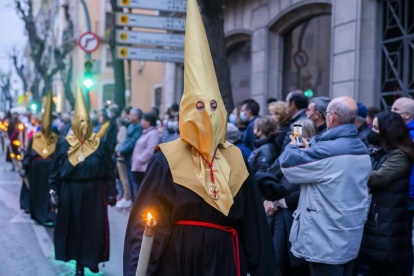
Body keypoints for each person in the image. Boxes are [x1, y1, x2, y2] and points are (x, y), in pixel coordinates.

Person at [123, 0, 280, 274]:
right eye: (198, 107)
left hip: (225, 261)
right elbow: (146, 223)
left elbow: (255, 227)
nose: (206, 115)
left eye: (213, 106)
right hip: (177, 260)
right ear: (185, 112)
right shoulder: (167, 159)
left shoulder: (237, 160)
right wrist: (140, 268)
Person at [279, 96, 372, 276]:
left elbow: (289, 166)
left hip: (325, 239)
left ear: (332, 117)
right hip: (348, 234)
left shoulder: (327, 152)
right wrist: (310, 149)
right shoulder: (360, 147)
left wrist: (293, 146)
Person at [49, 86, 116, 276]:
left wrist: (112, 192)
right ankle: (79, 263)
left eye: (87, 121)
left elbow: (110, 171)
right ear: (74, 123)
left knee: (94, 227)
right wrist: (53, 192)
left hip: (95, 191)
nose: (84, 124)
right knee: (75, 227)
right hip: (70, 191)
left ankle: (92, 259)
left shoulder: (100, 144)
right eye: (81, 121)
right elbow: (54, 173)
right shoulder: (63, 144)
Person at [258, 119, 317, 276]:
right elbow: (271, 173)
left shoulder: (313, 155)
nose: (293, 137)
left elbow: (302, 190)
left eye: (296, 133)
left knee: (286, 259)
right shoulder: (289, 152)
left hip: (294, 215)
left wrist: (277, 203)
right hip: (280, 212)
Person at [359, 111, 414, 276]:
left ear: (387, 131)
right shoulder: (381, 151)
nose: (372, 131)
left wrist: (352, 170)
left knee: (387, 267)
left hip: (388, 221)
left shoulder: (399, 156)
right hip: (380, 218)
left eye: (376, 128)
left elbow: (377, 178)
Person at [23, 91, 58, 226]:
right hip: (37, 172)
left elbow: (58, 156)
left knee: (50, 192)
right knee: (38, 192)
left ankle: (49, 213)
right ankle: (38, 213)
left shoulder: (56, 139)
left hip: (50, 172)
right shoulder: (35, 137)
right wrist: (25, 167)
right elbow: (29, 153)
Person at [117, 108, 143, 202]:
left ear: (136, 116)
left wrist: (122, 150)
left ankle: (136, 203)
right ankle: (131, 201)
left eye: (131, 114)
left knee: (134, 181)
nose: (129, 116)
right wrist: (121, 150)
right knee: (129, 180)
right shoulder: (131, 125)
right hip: (127, 155)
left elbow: (133, 142)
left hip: (133, 156)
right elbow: (127, 140)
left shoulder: (139, 127)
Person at [131, 112, 160, 194]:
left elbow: (151, 150)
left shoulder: (153, 134)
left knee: (144, 191)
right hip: (139, 167)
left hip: (144, 167)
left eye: (143, 120)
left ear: (148, 122)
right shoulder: (146, 132)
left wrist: (139, 159)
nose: (141, 122)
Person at [115, 117, 130, 208]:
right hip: (120, 155)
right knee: (121, 178)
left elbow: (121, 141)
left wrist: (120, 151)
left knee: (124, 178)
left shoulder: (123, 129)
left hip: (121, 156)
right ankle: (124, 195)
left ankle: (126, 196)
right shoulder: (122, 129)